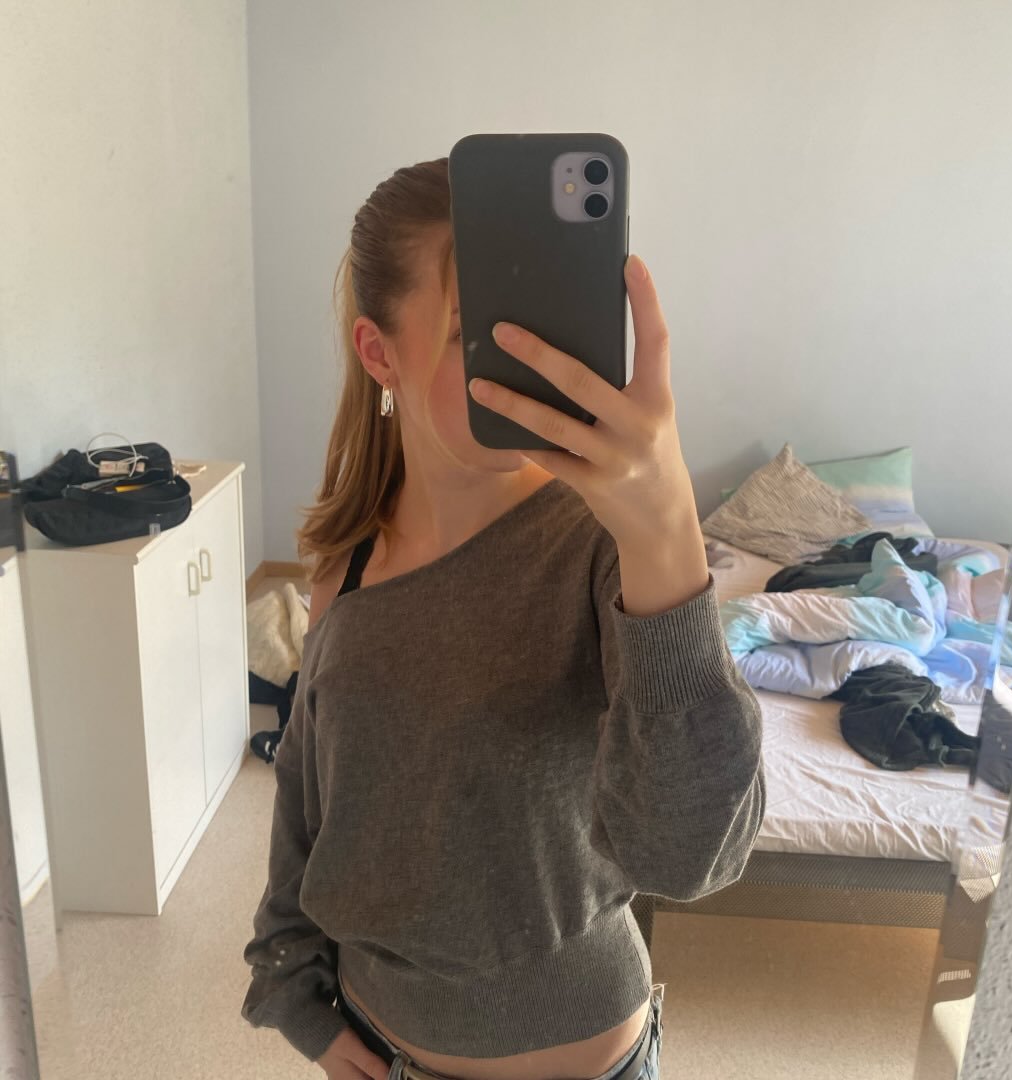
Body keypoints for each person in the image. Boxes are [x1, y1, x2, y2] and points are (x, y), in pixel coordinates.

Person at [241, 156, 766, 1080]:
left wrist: (668, 537)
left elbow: (689, 855)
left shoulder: (607, 545)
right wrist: (293, 995)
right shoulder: (344, 569)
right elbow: (311, 805)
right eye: (471, 332)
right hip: (381, 1050)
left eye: (539, 321)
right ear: (379, 353)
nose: (522, 358)